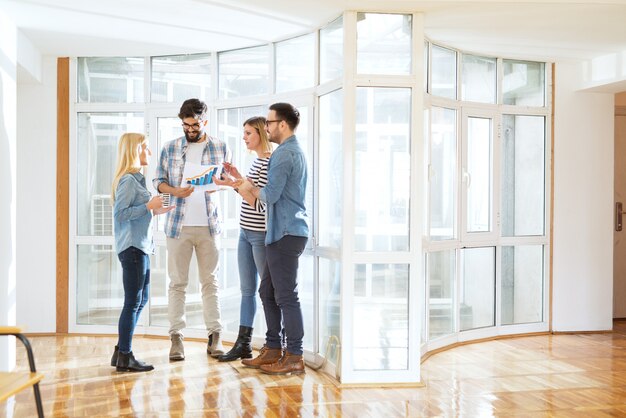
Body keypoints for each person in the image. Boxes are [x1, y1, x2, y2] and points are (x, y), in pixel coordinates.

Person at [153, 98, 231, 361]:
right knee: (177, 283)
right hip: (178, 226)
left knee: (210, 282)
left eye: (194, 125)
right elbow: (158, 181)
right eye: (185, 125)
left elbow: (229, 179)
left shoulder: (221, 147)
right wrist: (175, 191)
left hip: (210, 226)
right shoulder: (170, 147)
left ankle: (215, 336)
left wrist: (221, 183)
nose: (189, 129)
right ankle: (176, 338)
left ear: (204, 121)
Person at [237, 103, 309, 375]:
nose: (266, 127)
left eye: (269, 122)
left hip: (286, 233)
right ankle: (273, 348)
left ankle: (295, 355)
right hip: (281, 233)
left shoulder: (285, 155)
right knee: (267, 292)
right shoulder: (288, 152)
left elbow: (269, 196)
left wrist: (246, 186)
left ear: (282, 124)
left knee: (286, 296)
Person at [110, 132, 173, 372]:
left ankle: (120, 351)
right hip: (133, 248)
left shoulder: (137, 180)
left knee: (141, 300)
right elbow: (120, 214)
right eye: (145, 148)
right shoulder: (127, 180)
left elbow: (138, 211)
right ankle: (125, 355)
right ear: (135, 151)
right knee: (133, 302)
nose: (149, 152)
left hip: (140, 247)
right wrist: (148, 205)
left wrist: (156, 210)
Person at [213, 116, 272, 362]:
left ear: (260, 134)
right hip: (245, 233)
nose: (244, 137)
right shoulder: (257, 161)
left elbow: (261, 205)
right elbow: (250, 190)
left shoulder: (269, 163)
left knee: (266, 291)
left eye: (248, 133)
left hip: (259, 235)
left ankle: (273, 344)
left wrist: (232, 185)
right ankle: (243, 344)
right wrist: (237, 177)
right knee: (247, 290)